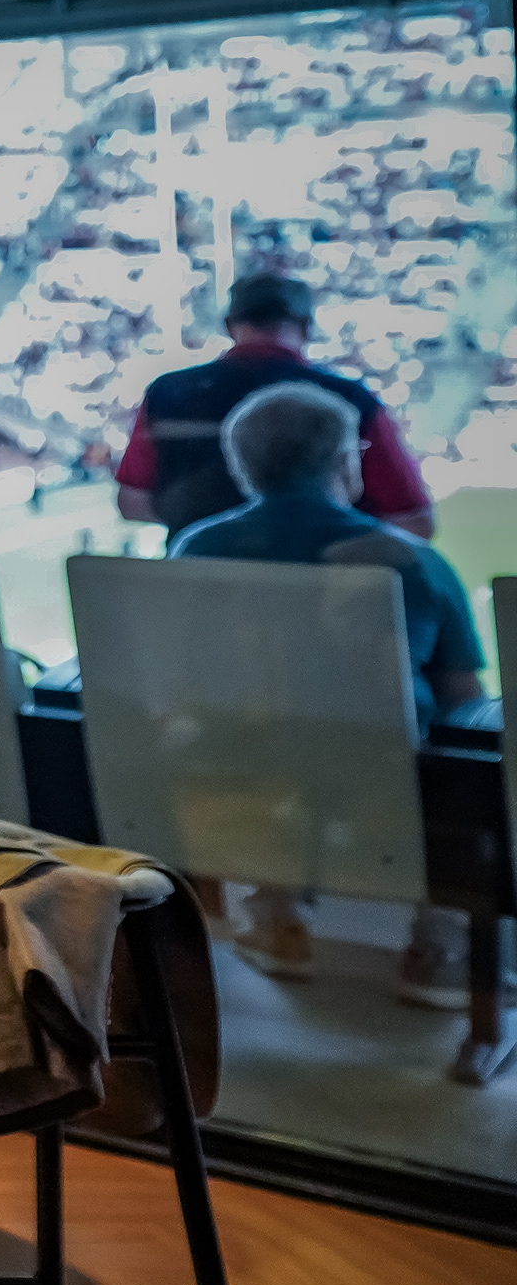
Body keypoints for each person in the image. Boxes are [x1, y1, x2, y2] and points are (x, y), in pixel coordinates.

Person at [171, 380, 497, 1009]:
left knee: (268, 736)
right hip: (384, 772)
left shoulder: (192, 550)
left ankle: (275, 916)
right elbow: (463, 692)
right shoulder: (410, 560)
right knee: (464, 744)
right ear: (347, 461)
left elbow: (184, 674)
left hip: (236, 763)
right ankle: (436, 945)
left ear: (242, 466)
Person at [117, 270, 433, 538]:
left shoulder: (166, 393)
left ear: (229, 326)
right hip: (324, 595)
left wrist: (217, 528)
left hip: (199, 590)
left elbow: (133, 502)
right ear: (307, 327)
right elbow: (414, 520)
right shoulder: (351, 400)